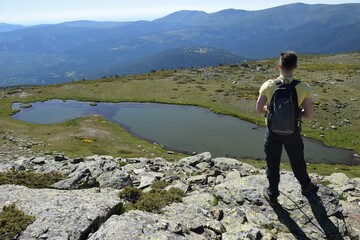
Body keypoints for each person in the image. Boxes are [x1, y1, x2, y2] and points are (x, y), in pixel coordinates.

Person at [256, 50, 318, 206]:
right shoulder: (303, 87)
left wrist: (270, 112)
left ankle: (273, 193)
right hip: (293, 132)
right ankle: (306, 186)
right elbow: (309, 114)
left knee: (272, 162)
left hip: (272, 131)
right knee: (297, 160)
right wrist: (295, 116)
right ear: (295, 66)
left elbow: (258, 109)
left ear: (279, 66)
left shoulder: (269, 85)